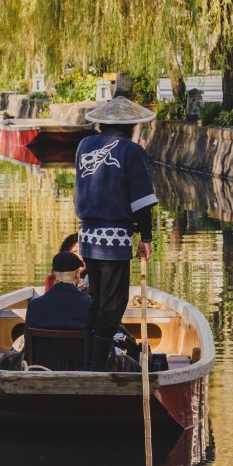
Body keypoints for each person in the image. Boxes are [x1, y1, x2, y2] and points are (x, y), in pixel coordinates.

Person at [72, 96, 159, 371]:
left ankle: (88, 362)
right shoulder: (131, 151)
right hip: (114, 238)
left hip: (86, 236)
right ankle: (98, 365)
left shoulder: (84, 145)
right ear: (132, 125)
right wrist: (146, 237)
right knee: (114, 303)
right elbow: (142, 201)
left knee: (97, 300)